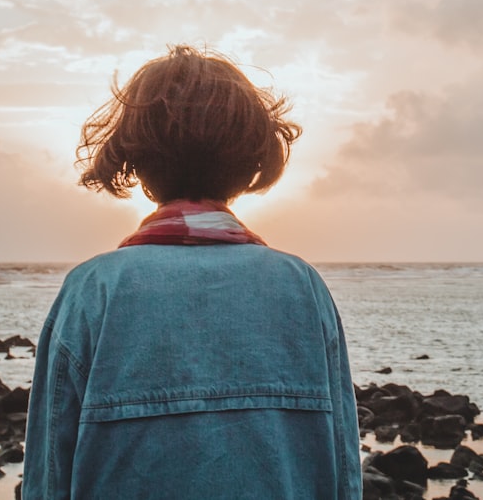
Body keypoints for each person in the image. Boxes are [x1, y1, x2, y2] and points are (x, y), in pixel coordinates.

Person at [22, 45, 361, 499]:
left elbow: (49, 477)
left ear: (135, 161)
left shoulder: (93, 290)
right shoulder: (302, 287)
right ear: (251, 159)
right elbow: (342, 474)